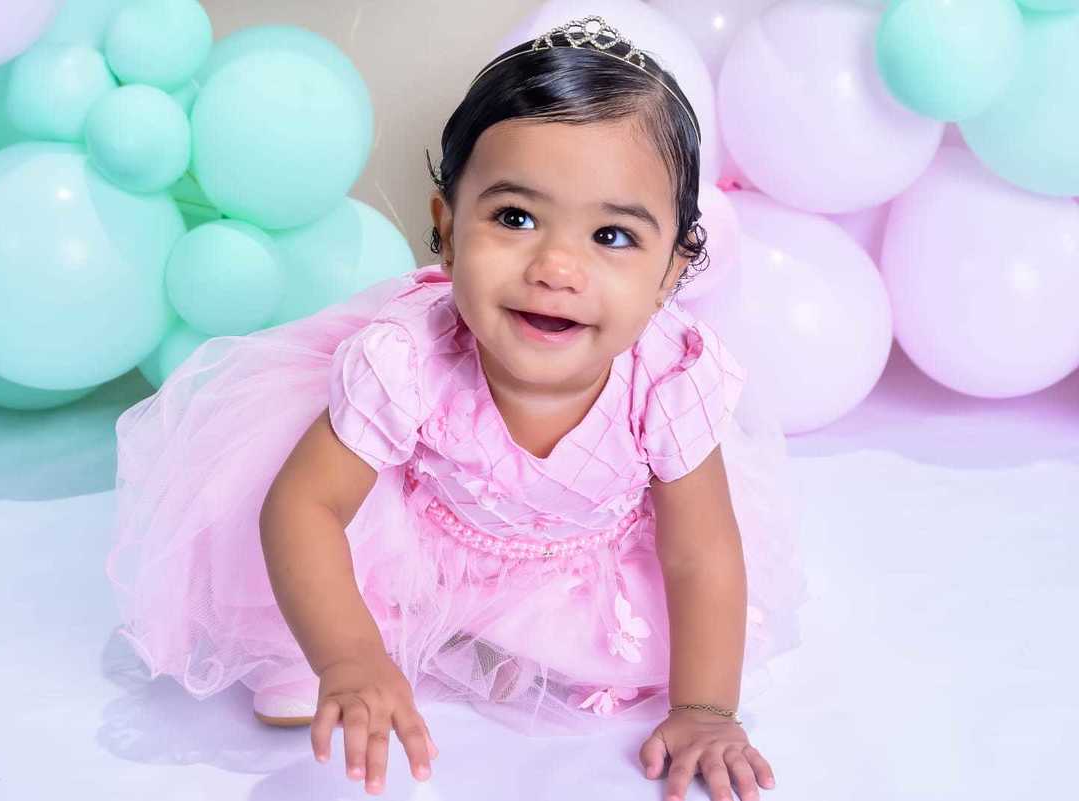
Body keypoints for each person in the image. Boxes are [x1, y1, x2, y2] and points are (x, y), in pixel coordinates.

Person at [106, 15, 809, 801]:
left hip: (579, 566)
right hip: (422, 542)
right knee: (307, 600)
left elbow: (700, 552)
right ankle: (349, 646)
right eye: (515, 218)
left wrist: (706, 709)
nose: (556, 267)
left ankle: (495, 641)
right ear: (446, 229)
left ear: (672, 271)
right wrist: (349, 655)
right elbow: (304, 505)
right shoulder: (408, 358)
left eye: (612, 235)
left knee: (630, 652)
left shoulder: (667, 377)